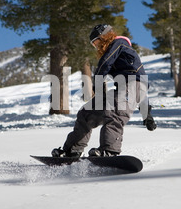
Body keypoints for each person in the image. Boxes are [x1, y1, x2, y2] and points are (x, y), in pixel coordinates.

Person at [52, 24, 156, 158]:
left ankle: (109, 150)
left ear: (105, 36)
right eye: (93, 44)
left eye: (97, 42)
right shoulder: (114, 51)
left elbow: (106, 63)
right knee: (86, 114)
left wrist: (98, 82)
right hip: (123, 89)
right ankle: (72, 150)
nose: (96, 46)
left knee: (114, 112)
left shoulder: (119, 43)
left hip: (134, 84)